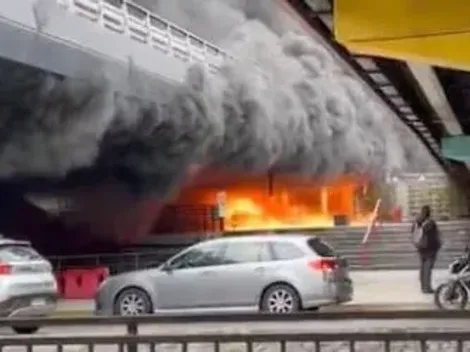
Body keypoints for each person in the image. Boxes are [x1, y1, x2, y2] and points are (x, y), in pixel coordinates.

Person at [411, 205, 442, 294]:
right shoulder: (431, 223)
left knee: (423, 267)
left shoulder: (417, 222)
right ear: (429, 213)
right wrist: (438, 246)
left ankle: (423, 287)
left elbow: (413, 233)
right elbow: (434, 236)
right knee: (428, 268)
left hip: (420, 247)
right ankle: (427, 288)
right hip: (430, 248)